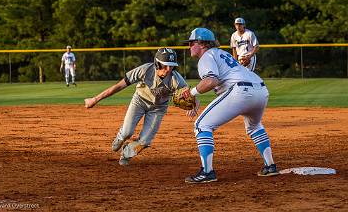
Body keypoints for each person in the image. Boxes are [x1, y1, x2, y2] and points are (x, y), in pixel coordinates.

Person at [182, 28, 278, 183]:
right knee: (254, 126)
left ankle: (207, 172)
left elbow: (210, 81)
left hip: (241, 91)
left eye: (191, 43)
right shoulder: (223, 53)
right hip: (261, 90)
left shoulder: (206, 56)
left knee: (201, 125)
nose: (189, 46)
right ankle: (270, 166)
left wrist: (191, 93)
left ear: (201, 43)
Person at [84, 48, 196, 166]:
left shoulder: (176, 79)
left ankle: (126, 153)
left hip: (158, 108)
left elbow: (192, 95)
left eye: (171, 66)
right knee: (127, 132)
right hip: (139, 102)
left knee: (145, 141)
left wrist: (194, 106)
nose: (168, 69)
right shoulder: (145, 70)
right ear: (157, 63)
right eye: (165, 66)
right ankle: (121, 136)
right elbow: (119, 86)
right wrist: (95, 99)